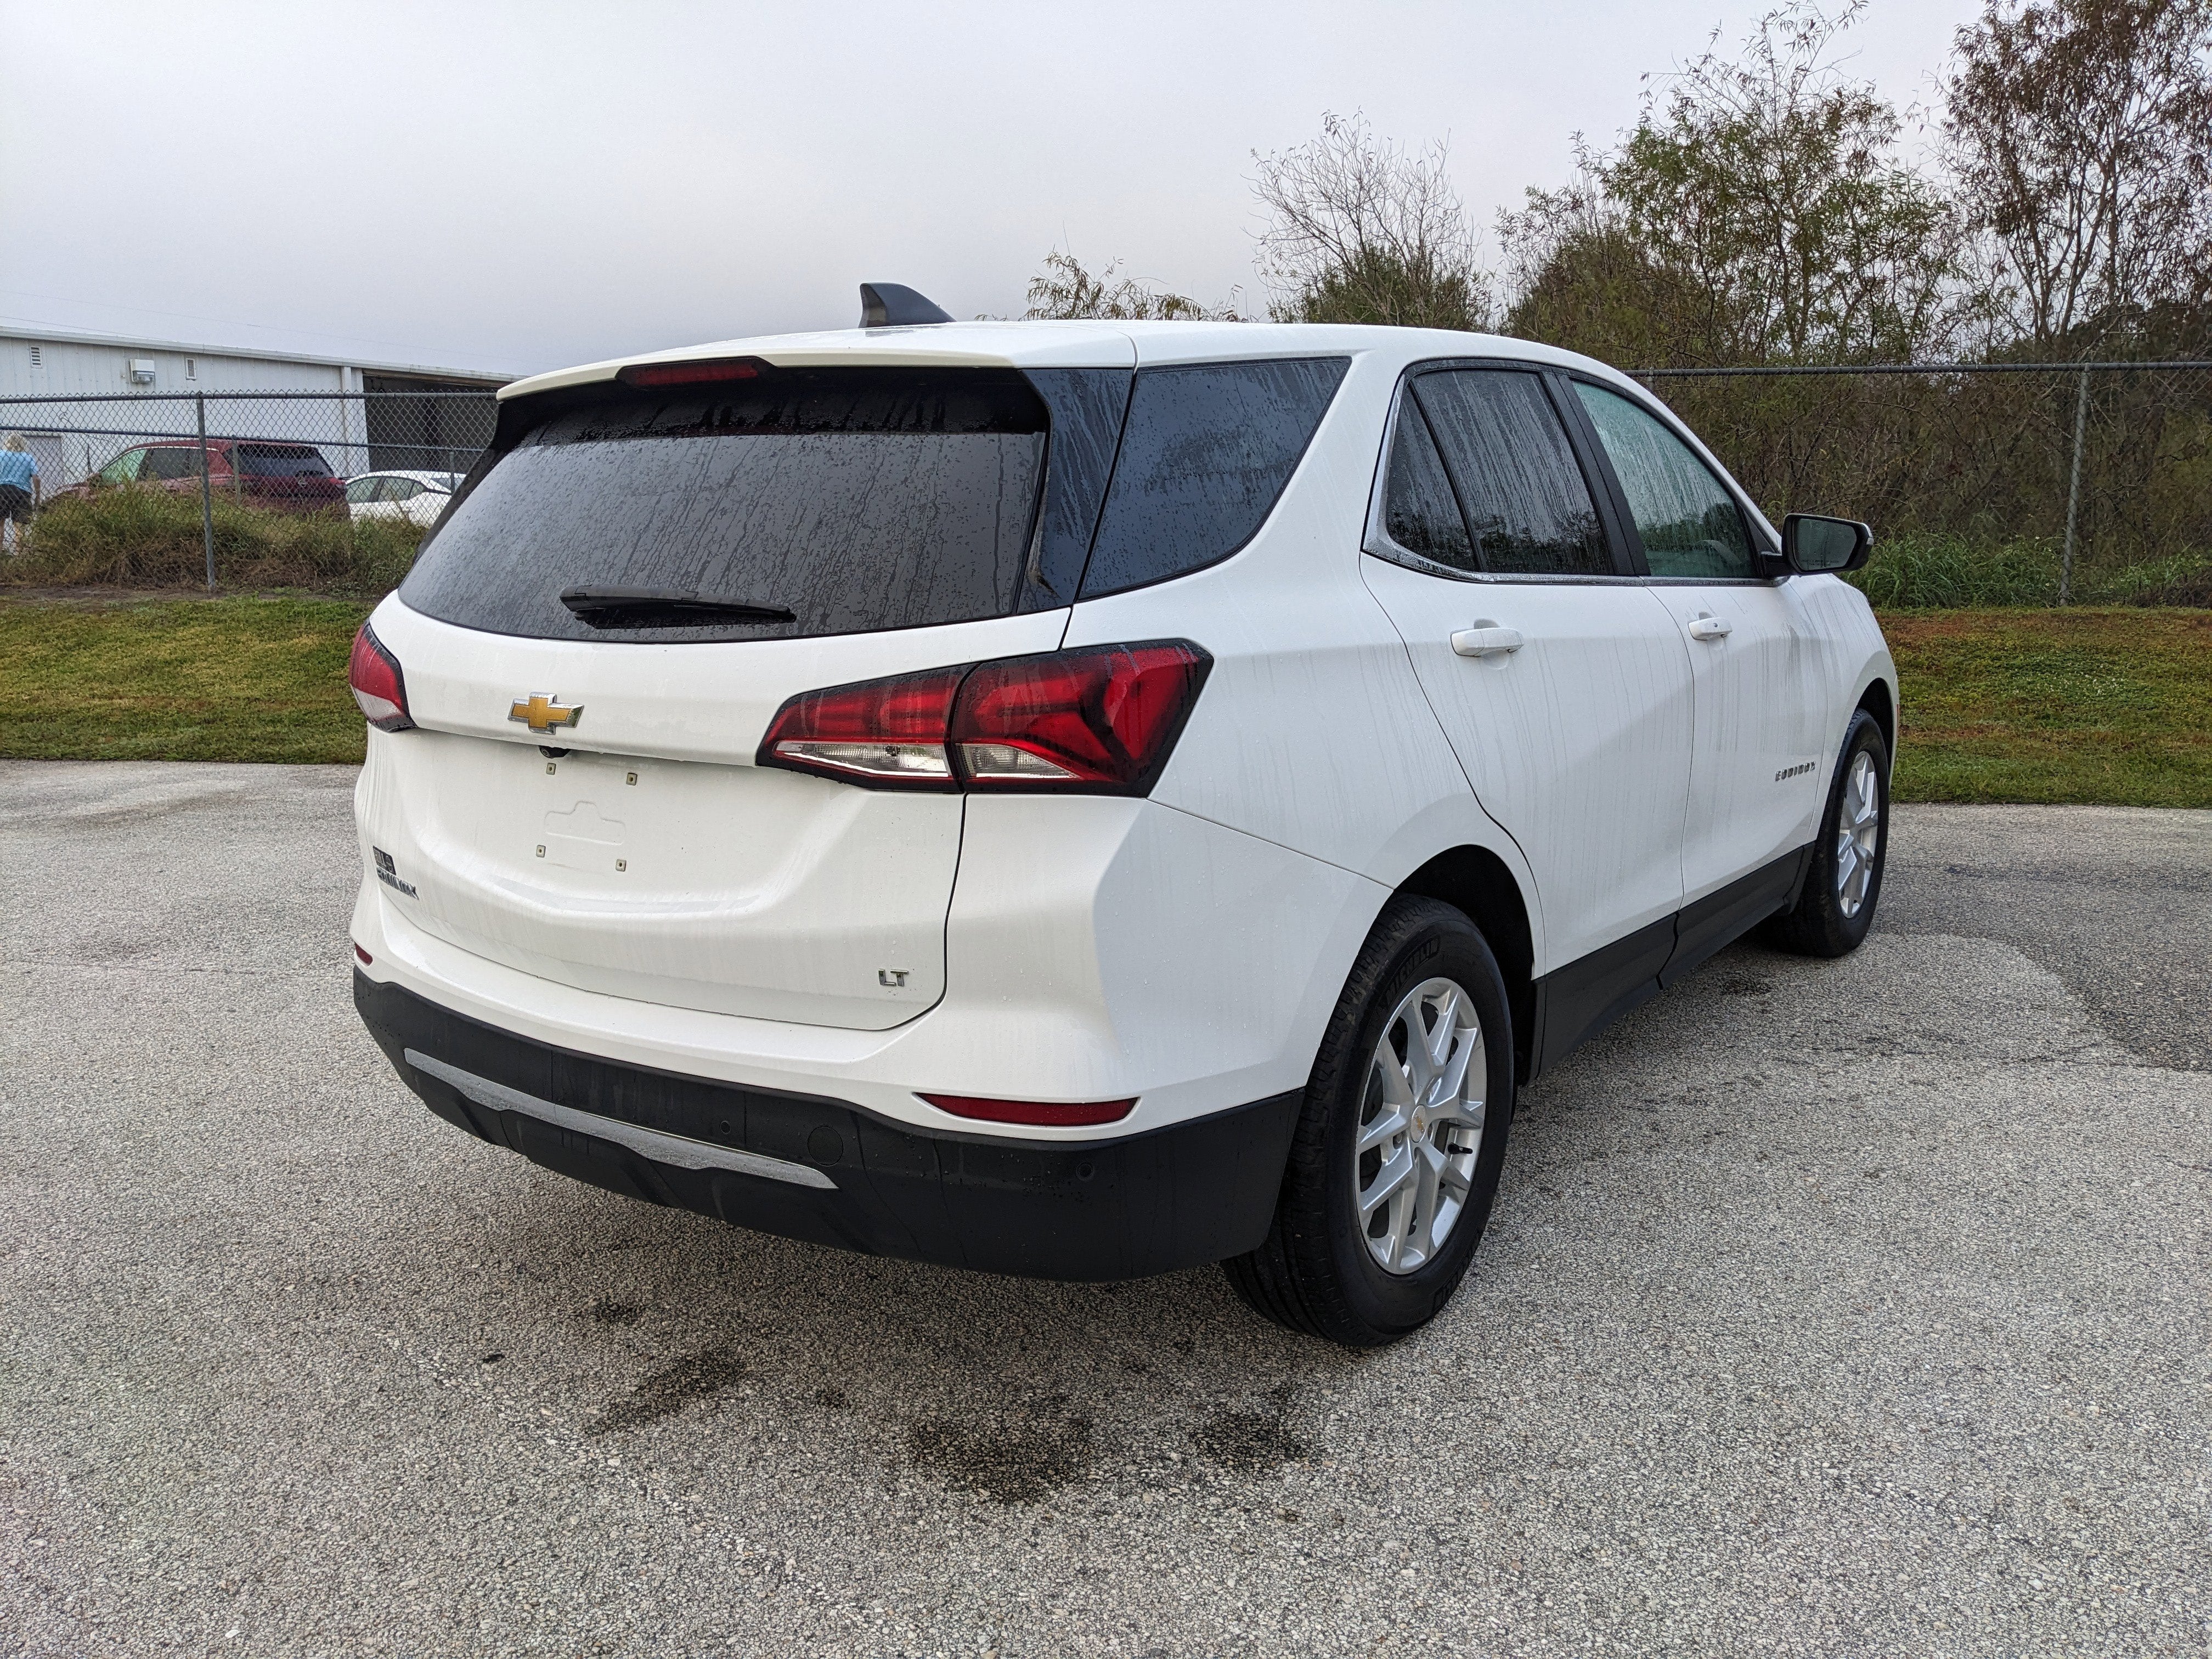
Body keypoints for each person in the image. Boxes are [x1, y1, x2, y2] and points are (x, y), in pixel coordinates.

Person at [0, 433, 40, 555]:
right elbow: (36, 477)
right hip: (22, 492)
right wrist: (37, 494)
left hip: (2, 489)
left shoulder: (1, 455)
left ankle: (1, 552)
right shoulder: (28, 457)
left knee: (1, 523)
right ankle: (19, 554)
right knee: (19, 526)